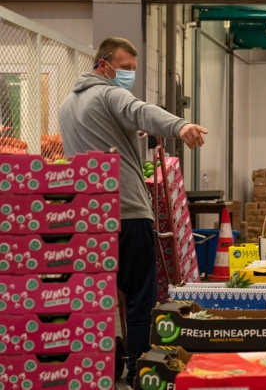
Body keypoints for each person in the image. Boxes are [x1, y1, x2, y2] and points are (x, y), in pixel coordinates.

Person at [58, 37, 208, 389]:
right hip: (127, 211)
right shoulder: (110, 93)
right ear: (102, 64)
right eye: (124, 68)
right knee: (141, 297)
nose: (128, 75)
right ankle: (140, 370)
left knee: (95, 299)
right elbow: (140, 109)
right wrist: (179, 125)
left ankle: (96, 367)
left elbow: (112, 128)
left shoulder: (67, 104)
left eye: (132, 70)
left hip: (85, 217)